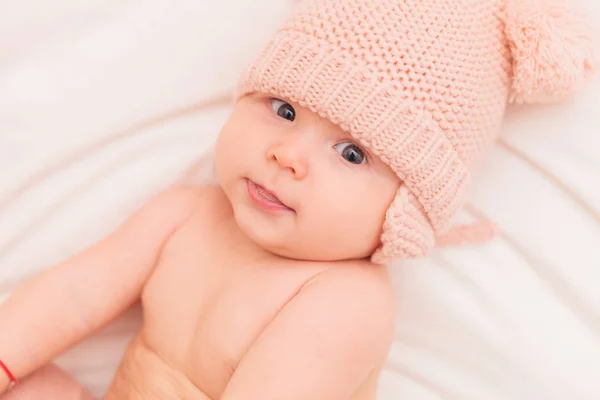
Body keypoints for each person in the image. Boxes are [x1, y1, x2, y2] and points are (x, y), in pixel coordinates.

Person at [0, 0, 594, 398]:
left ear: (404, 211)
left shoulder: (344, 300)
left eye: (352, 154)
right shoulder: (187, 215)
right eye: (283, 111)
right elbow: (73, 294)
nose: (288, 155)